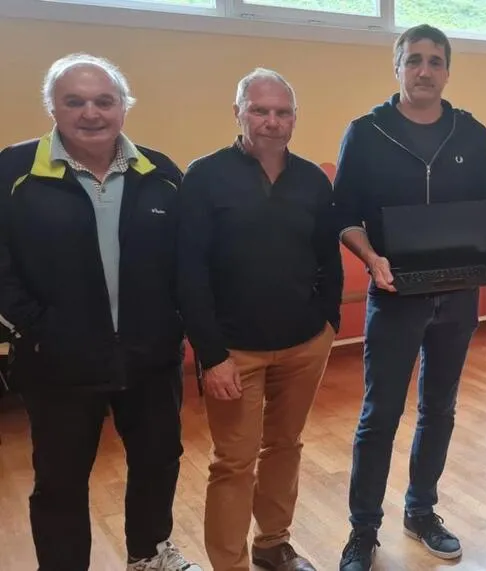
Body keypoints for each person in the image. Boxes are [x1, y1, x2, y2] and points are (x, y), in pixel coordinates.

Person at [0, 53, 201, 571]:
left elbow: (187, 262)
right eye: (75, 101)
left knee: (158, 461)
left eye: (104, 101)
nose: (91, 113)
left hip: (150, 358)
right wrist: (37, 326)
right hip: (57, 362)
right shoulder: (13, 172)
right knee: (60, 479)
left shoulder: (161, 173)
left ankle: (148, 555)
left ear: (123, 107)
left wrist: (177, 327)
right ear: (52, 107)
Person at [332, 24, 486, 571]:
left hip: (458, 294)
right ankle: (363, 530)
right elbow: (344, 216)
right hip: (394, 292)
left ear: (447, 71)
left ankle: (421, 511)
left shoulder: (472, 134)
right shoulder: (366, 133)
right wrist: (371, 258)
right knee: (379, 415)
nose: (424, 70)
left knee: (439, 409)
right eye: (414, 60)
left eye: (434, 61)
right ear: (398, 67)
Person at [177, 68, 341, 571]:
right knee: (233, 462)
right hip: (233, 352)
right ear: (238, 113)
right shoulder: (205, 176)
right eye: (260, 110)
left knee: (285, 446)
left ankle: (273, 543)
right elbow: (188, 271)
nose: (272, 121)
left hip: (303, 344)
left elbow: (327, 258)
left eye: (282, 112)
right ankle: (230, 564)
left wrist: (328, 324)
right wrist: (212, 355)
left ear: (294, 118)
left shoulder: (312, 179)